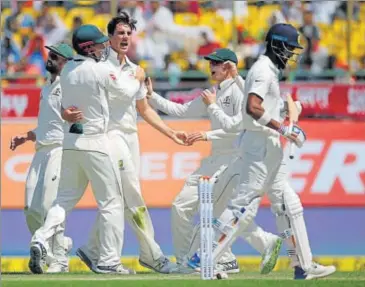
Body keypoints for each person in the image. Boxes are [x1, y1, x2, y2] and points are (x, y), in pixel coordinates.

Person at [196, 23, 336, 280]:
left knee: (287, 204)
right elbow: (253, 107)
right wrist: (285, 128)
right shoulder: (263, 70)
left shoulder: (269, 70)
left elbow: (264, 106)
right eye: (289, 48)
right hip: (261, 145)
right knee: (243, 205)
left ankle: (303, 265)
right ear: (276, 45)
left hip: (268, 144)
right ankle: (207, 258)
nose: (292, 54)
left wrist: (286, 110)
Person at [65, 13, 187, 274]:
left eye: (128, 33)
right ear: (108, 38)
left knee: (119, 198)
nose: (125, 37)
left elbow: (144, 109)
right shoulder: (100, 64)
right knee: (132, 196)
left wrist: (171, 132)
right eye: (119, 33)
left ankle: (92, 249)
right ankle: (152, 256)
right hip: (109, 137)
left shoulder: (134, 69)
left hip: (130, 138)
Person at [146, 48, 282, 274]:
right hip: (213, 161)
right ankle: (248, 248)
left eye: (217, 63)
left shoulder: (241, 92)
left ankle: (197, 262)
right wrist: (152, 96)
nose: (211, 67)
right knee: (181, 206)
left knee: (215, 216)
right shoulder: (213, 92)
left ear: (229, 66)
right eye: (211, 63)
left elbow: (236, 127)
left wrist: (208, 122)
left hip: (233, 161)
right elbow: (180, 110)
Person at [29, 24, 133, 275]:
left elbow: (66, 109)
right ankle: (109, 260)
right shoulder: (99, 70)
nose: (103, 46)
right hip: (96, 143)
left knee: (63, 200)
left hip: (71, 144)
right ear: (88, 48)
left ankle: (41, 237)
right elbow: (127, 92)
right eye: (99, 44)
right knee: (111, 203)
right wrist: (137, 78)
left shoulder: (68, 72)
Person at [10, 43, 74, 273]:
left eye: (55, 56)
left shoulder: (70, 86)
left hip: (59, 150)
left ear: (65, 63)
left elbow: (77, 120)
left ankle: (57, 258)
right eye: (50, 54)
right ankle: (58, 248)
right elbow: (45, 124)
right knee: (30, 208)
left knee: (49, 205)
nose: (50, 58)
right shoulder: (46, 86)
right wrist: (25, 136)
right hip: (40, 150)